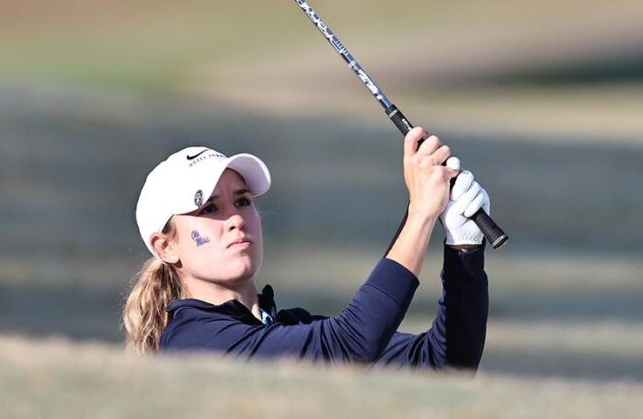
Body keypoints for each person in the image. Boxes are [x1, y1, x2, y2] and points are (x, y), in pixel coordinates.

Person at [122, 127, 490, 369]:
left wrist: (464, 251)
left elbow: (443, 365)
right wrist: (421, 213)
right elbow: (350, 345)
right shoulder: (193, 341)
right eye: (210, 210)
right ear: (166, 247)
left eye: (243, 201)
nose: (235, 219)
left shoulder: (288, 326)